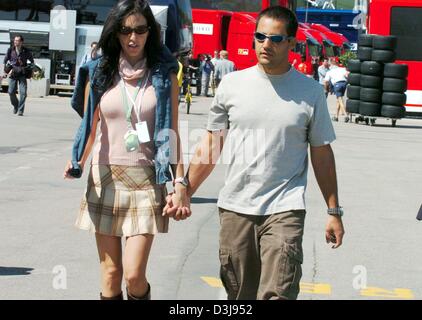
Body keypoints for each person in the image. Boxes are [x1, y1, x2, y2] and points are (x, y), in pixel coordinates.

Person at [164, 5, 345, 300]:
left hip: (285, 208)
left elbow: (322, 154)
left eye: (275, 39)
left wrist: (334, 211)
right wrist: (185, 189)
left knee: (278, 293)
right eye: (260, 37)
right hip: (236, 206)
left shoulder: (310, 92)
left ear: (291, 42)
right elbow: (212, 143)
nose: (265, 44)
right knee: (239, 296)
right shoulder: (232, 85)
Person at [63, 0, 190, 300]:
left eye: (140, 30)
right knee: (110, 275)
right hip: (104, 178)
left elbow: (171, 132)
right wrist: (77, 160)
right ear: (116, 33)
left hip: (146, 180)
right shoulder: (99, 73)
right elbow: (90, 128)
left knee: (134, 276)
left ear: (150, 32)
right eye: (125, 30)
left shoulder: (163, 76)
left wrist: (180, 182)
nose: (133, 37)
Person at [3, 35, 34, 116]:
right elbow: (5, 61)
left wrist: (32, 71)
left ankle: (20, 110)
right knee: (10, 92)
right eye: (15, 40)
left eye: (17, 40)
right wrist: (5, 72)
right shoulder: (10, 50)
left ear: (21, 42)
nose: (15, 42)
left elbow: (32, 62)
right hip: (13, 73)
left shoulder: (26, 51)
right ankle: (16, 105)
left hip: (22, 74)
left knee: (23, 93)